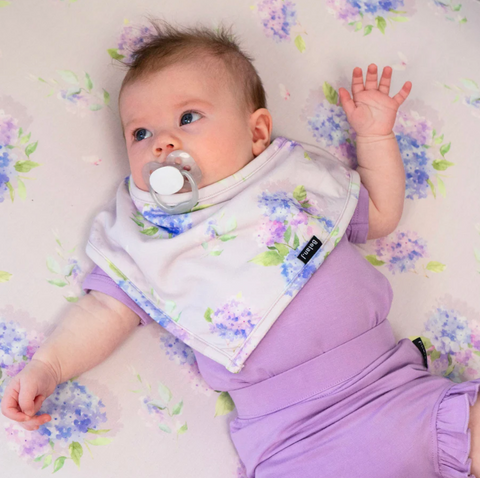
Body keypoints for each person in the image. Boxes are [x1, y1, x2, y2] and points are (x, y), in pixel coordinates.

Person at [2, 19, 480, 478]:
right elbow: (105, 310)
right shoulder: (144, 232)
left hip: (395, 393)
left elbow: (379, 214)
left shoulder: (290, 181)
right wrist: (50, 365)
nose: (163, 143)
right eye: (140, 133)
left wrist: (374, 136)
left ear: (256, 132)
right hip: (295, 442)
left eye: (188, 117)